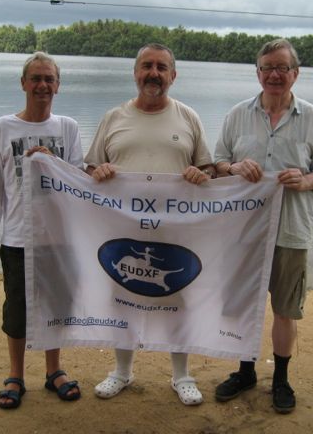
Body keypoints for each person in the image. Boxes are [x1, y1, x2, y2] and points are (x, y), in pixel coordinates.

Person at [214, 38, 313, 414]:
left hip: (291, 232)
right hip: (243, 233)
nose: (274, 75)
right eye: (267, 67)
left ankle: (281, 378)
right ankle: (245, 371)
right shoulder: (237, 115)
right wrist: (233, 168)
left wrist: (307, 180)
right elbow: (217, 161)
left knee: (285, 309)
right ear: (257, 72)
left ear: (295, 74)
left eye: (282, 68)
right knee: (243, 305)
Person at [85, 43, 215, 406]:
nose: (153, 74)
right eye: (147, 66)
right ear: (135, 72)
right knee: (121, 296)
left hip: (176, 231)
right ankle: (122, 372)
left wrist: (198, 173)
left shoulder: (188, 117)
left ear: (173, 76)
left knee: (179, 298)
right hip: (122, 230)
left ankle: (182, 376)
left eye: (161, 67)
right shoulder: (113, 118)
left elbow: (208, 169)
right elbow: (89, 169)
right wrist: (101, 171)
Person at [0, 52, 83, 410]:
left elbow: (78, 184)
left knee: (56, 306)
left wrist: (51, 164)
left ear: (58, 86)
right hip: (17, 239)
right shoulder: (1, 129)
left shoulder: (67, 127)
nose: (42, 85)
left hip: (58, 239)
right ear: (23, 83)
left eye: (49, 79)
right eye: (35, 78)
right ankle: (16, 375)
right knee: (17, 312)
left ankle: (54, 371)